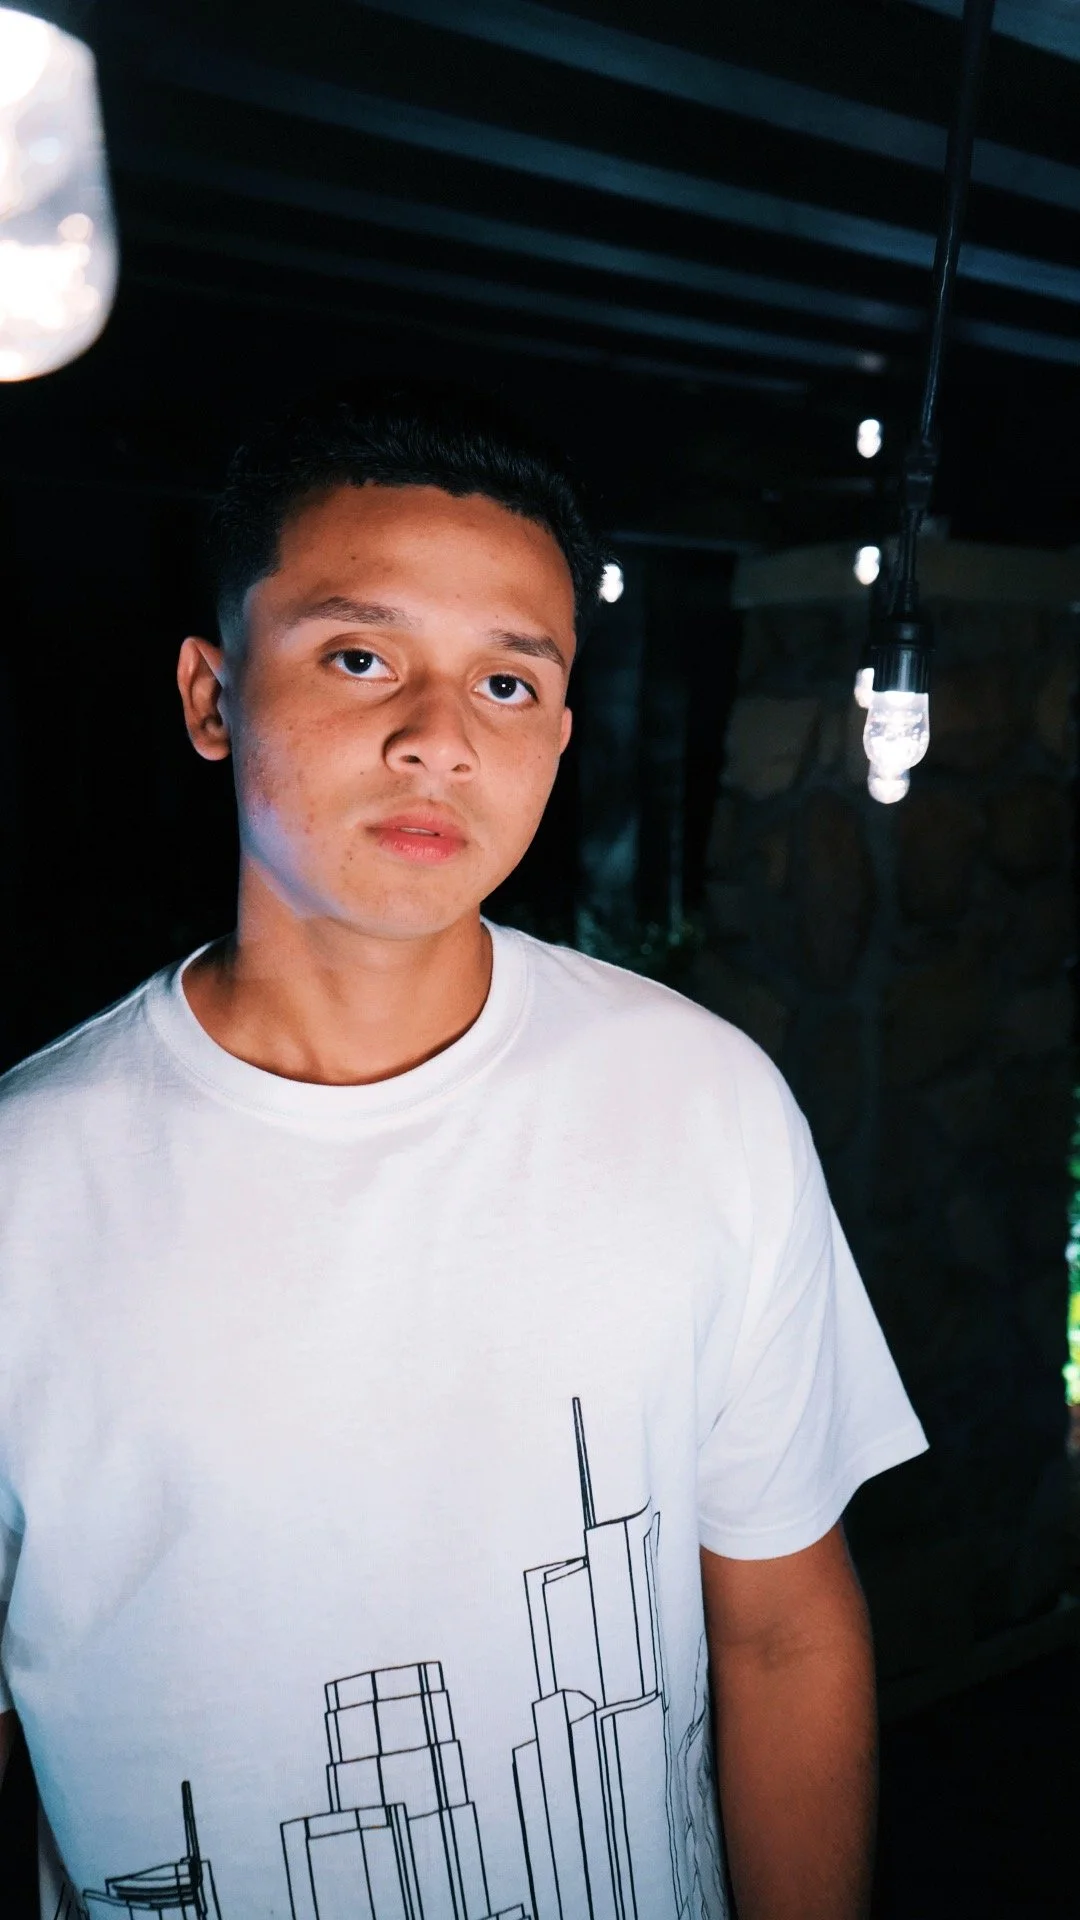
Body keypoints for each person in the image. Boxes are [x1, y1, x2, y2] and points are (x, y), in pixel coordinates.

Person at [0, 389, 925, 1920]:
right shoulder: (29, 1188)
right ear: (213, 696)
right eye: (360, 658)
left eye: (507, 681)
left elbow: (780, 1630)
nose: (438, 738)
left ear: (557, 731)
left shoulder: (702, 1102)